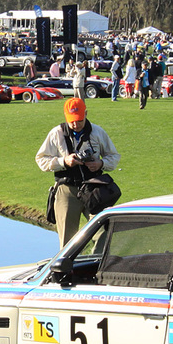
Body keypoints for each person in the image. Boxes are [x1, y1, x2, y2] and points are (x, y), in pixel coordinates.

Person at [35, 97, 120, 246]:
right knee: (67, 242)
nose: (75, 124)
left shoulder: (98, 132)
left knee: (103, 232)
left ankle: (95, 266)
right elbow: (41, 160)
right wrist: (63, 162)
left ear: (86, 113)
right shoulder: (56, 133)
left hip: (94, 189)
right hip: (67, 190)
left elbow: (113, 156)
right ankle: (69, 269)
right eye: (72, 120)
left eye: (79, 120)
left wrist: (101, 164)